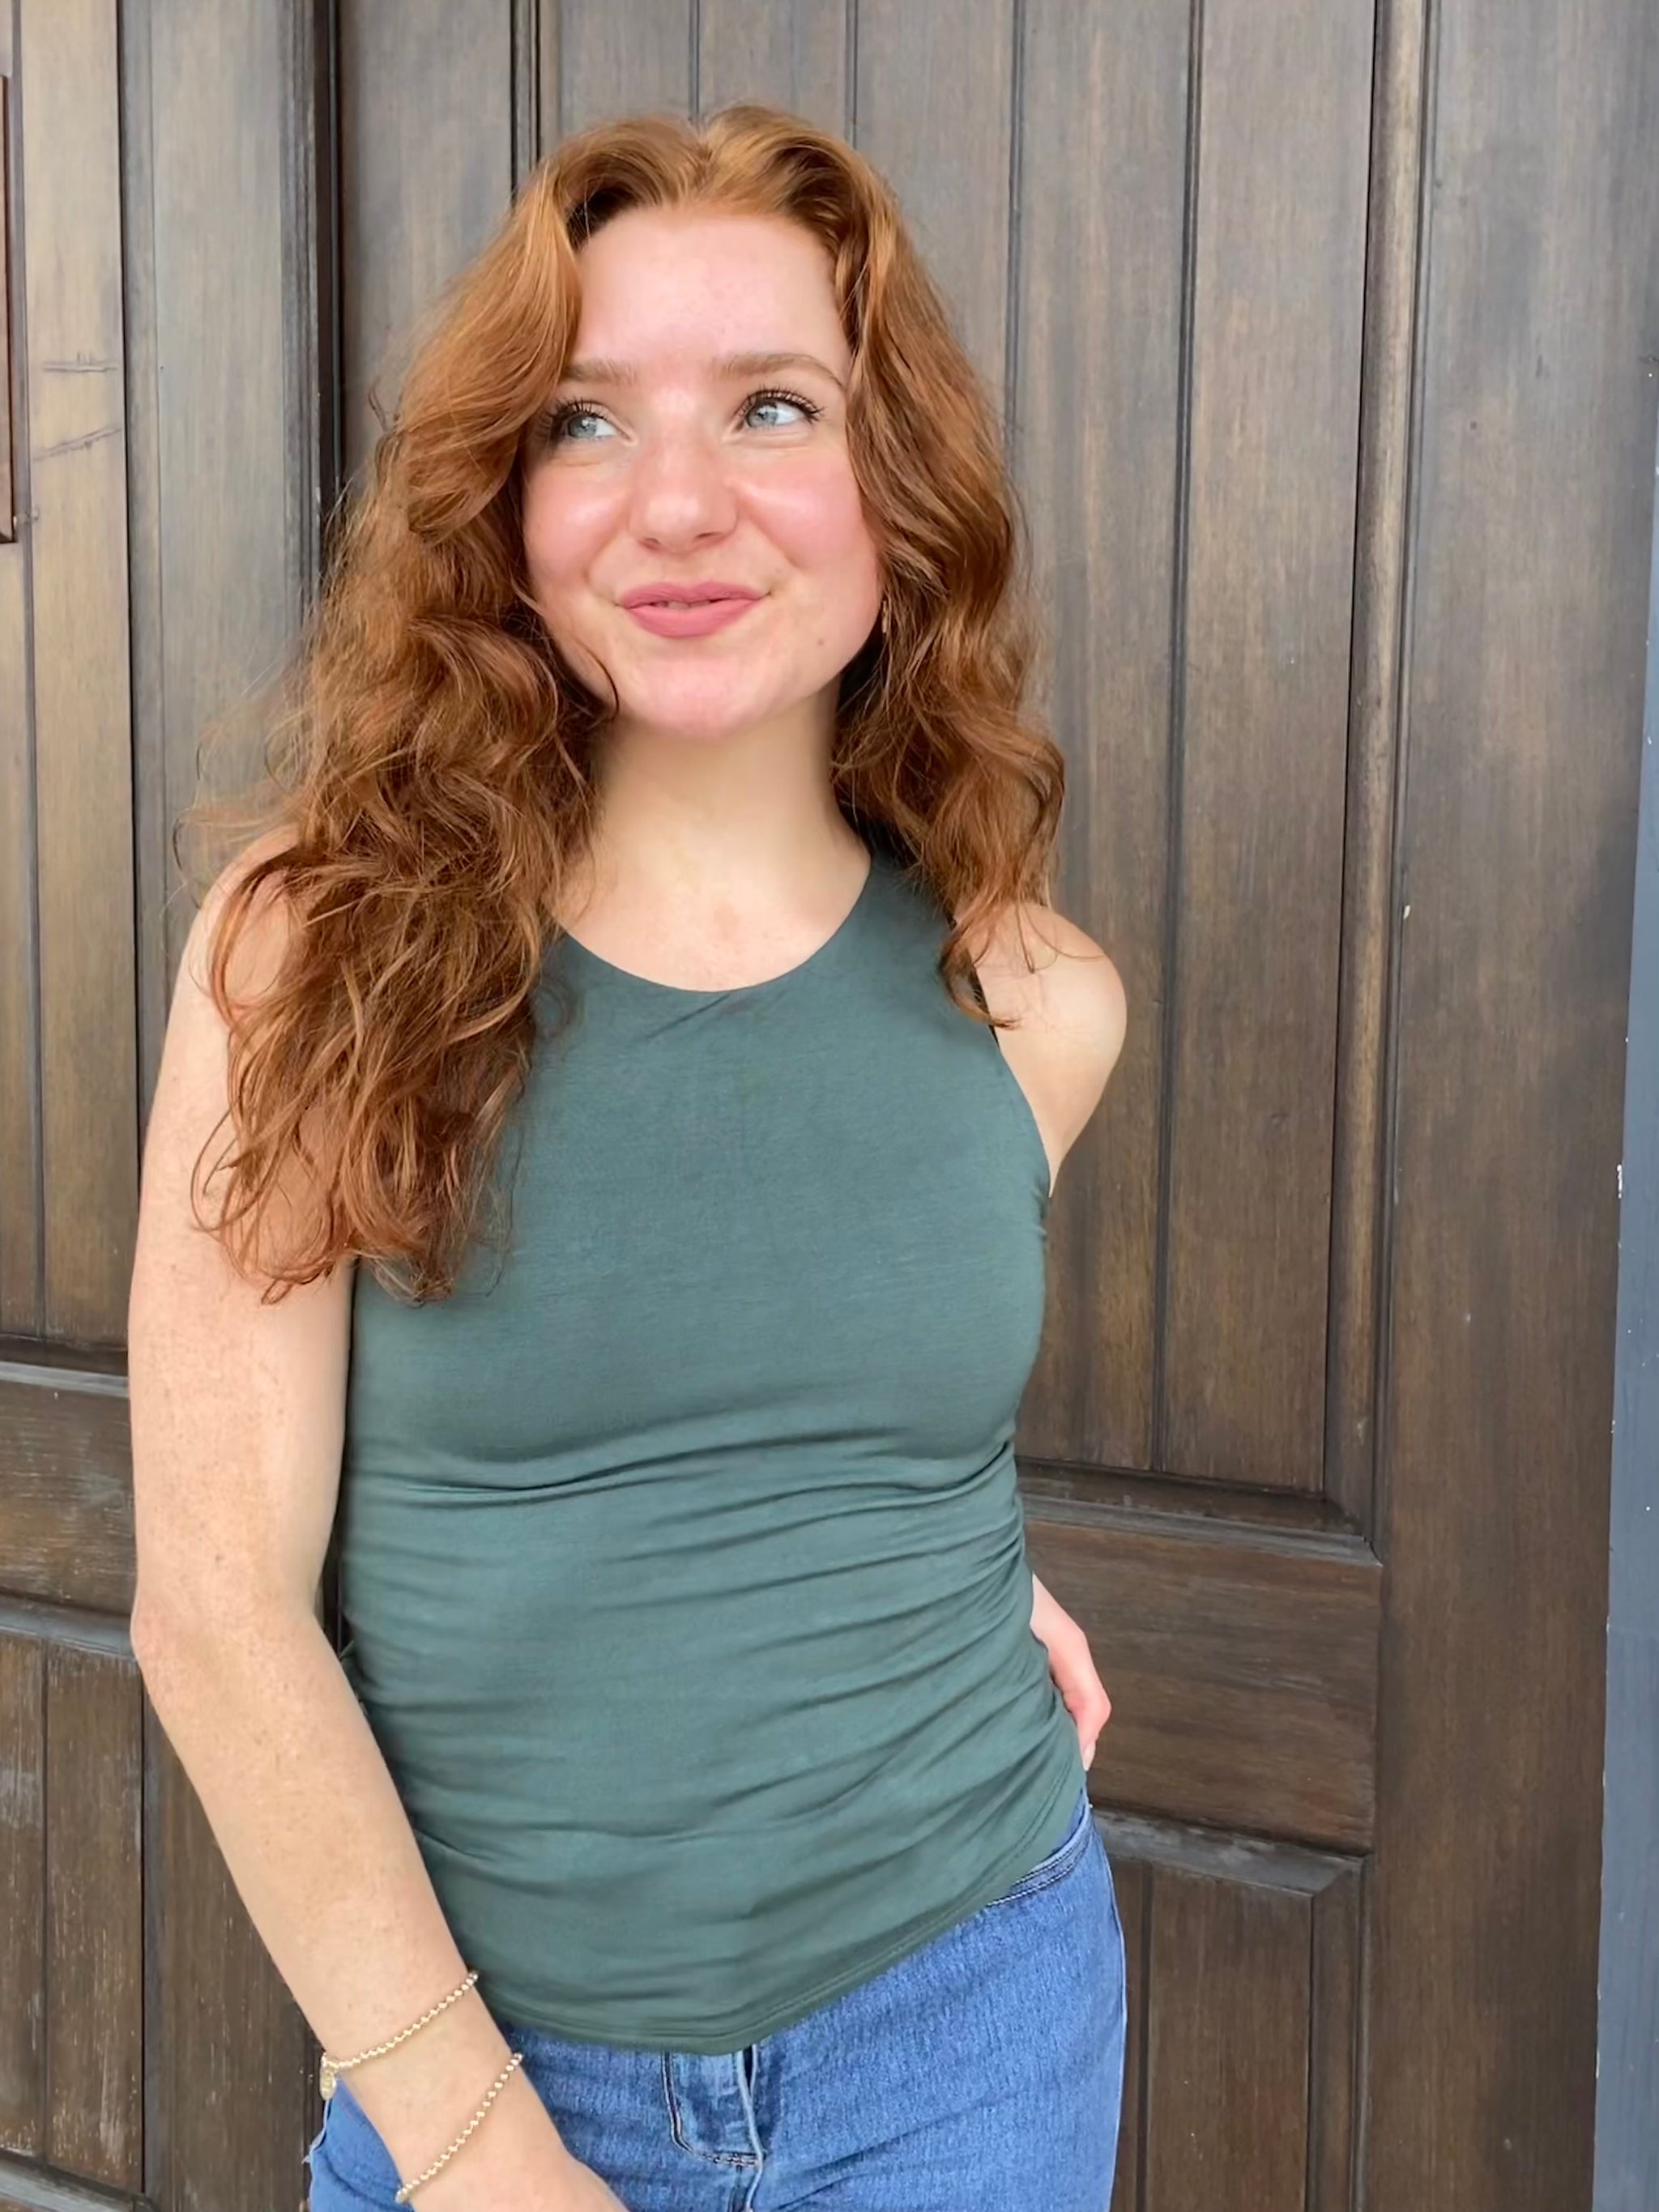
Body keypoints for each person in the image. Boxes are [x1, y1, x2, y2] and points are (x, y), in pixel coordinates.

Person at [126, 103, 1129, 2212]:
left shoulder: (1034, 1002)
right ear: (505, 503)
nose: (678, 502)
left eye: (775, 406)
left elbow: (831, 1387)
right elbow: (216, 1609)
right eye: (586, 420)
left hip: (974, 2030)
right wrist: (482, 2151)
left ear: (896, 484)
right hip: (488, 2075)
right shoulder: (311, 960)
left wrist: (948, 1565)